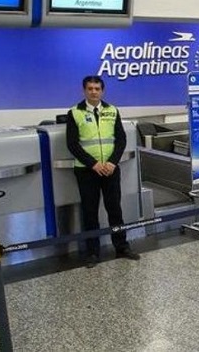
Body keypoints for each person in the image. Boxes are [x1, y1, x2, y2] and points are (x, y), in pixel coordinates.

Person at [66, 75, 140, 268]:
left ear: (102, 91)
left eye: (97, 88)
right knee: (90, 212)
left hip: (110, 169)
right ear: (84, 91)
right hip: (86, 171)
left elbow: (121, 139)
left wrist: (112, 162)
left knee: (115, 209)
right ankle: (92, 252)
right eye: (90, 88)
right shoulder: (74, 113)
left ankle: (121, 247)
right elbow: (72, 145)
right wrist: (93, 164)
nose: (93, 92)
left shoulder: (112, 110)